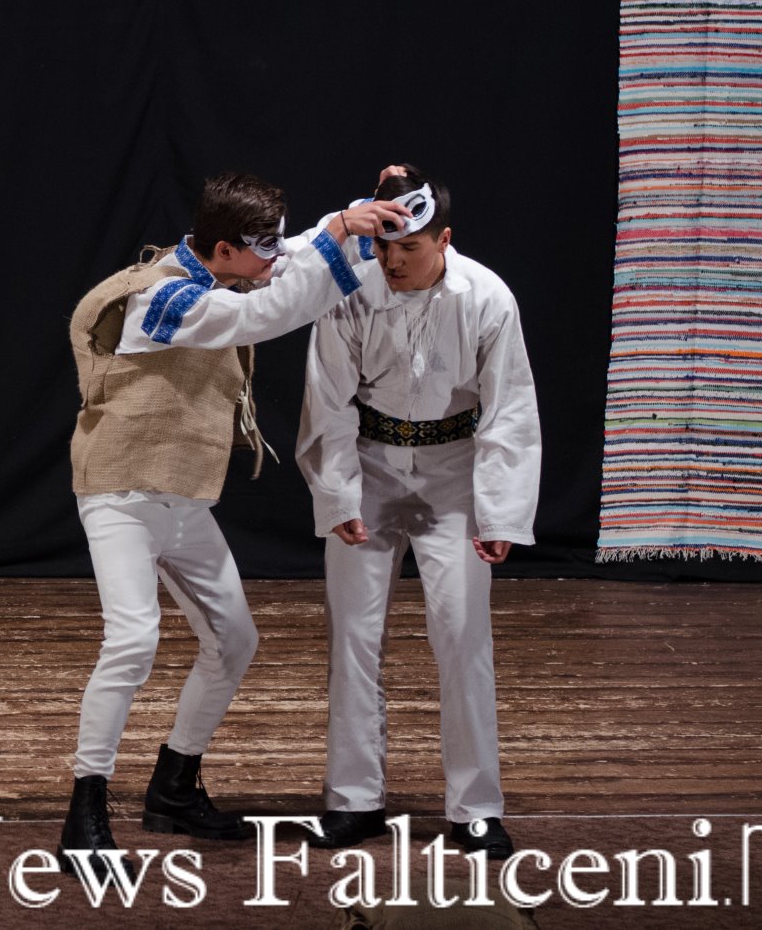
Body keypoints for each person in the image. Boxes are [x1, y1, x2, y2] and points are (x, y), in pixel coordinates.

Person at [60, 172, 409, 877]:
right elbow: (267, 313)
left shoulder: (221, 269)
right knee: (132, 640)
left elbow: (294, 254)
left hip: (182, 501)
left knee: (234, 640)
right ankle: (84, 809)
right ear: (223, 249)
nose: (275, 255)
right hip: (122, 497)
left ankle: (174, 786)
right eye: (262, 246)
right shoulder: (165, 297)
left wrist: (354, 215)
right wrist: (341, 232)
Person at [295, 166, 540, 859]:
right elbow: (328, 400)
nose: (393, 260)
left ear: (444, 240)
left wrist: (499, 511)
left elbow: (510, 407)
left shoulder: (486, 296)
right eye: (384, 247)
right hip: (371, 462)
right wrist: (339, 494)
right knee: (353, 633)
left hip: (454, 468)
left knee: (462, 633)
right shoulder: (350, 293)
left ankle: (475, 808)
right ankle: (354, 800)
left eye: (410, 248)